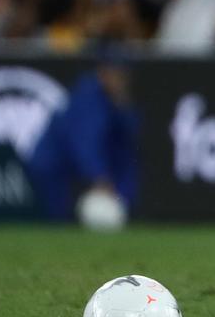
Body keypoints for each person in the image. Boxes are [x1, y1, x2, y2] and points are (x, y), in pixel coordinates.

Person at [25, 45, 139, 221]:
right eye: (115, 73)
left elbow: (126, 142)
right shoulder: (89, 97)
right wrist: (99, 177)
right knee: (54, 221)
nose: (119, 79)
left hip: (71, 169)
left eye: (122, 74)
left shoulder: (118, 102)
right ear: (103, 73)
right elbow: (86, 143)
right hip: (51, 166)